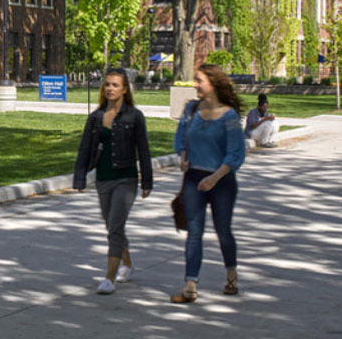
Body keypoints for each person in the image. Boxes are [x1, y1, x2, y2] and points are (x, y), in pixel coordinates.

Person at [170, 63, 247, 304]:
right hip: (194, 179)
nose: (194, 84)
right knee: (194, 233)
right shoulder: (190, 110)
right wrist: (182, 157)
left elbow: (236, 154)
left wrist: (213, 178)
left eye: (199, 80)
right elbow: (180, 138)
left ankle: (231, 278)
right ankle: (190, 285)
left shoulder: (230, 116)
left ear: (212, 84)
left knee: (223, 232)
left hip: (221, 181)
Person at [73, 69, 154, 295]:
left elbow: (144, 150)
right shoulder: (96, 117)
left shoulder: (135, 116)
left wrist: (147, 181)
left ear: (124, 89)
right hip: (103, 179)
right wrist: (79, 177)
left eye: (115, 85)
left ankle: (109, 278)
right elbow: (85, 149)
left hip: (126, 179)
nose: (110, 88)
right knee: (112, 227)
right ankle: (126, 262)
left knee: (115, 226)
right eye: (107, 84)